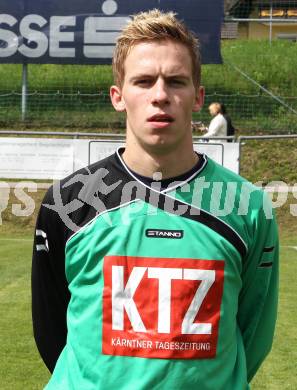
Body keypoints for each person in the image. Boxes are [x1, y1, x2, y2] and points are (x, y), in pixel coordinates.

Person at [32, 9, 279, 390]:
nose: (160, 95)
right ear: (118, 97)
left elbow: (253, 332)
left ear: (197, 97)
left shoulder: (247, 207)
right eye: (144, 81)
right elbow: (52, 332)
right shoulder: (67, 201)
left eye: (176, 81)